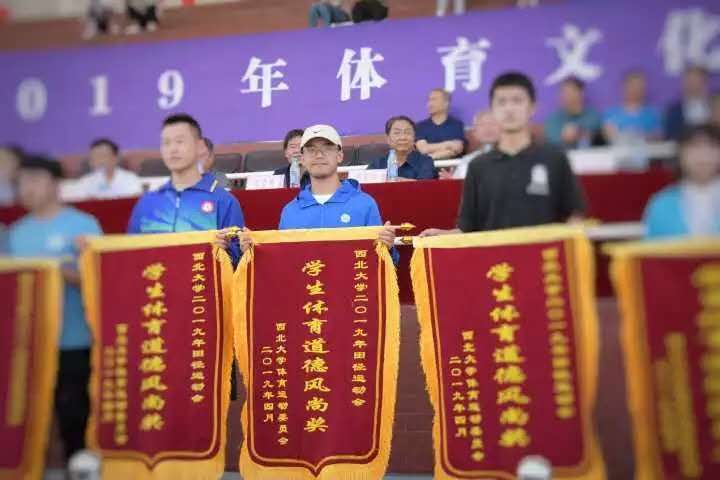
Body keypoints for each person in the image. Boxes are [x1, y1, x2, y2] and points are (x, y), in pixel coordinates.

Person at [8, 155, 103, 465]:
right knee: (27, 415)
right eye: (21, 182)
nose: (27, 188)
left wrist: (64, 273)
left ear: (54, 184)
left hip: (73, 339)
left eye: (34, 180)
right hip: (27, 345)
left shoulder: (83, 225)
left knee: (74, 413)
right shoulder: (16, 233)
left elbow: (102, 279)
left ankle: (80, 467)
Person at [421, 72, 586, 237]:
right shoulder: (478, 166)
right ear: (493, 109)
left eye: (517, 101)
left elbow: (574, 216)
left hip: (545, 253)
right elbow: (468, 229)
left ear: (532, 107)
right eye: (502, 102)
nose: (509, 109)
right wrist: (441, 237)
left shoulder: (554, 159)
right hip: (495, 254)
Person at [229, 124, 396, 256]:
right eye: (311, 150)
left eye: (327, 148)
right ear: (302, 158)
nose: (319, 155)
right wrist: (253, 251)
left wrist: (388, 247)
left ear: (340, 155)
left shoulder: (364, 204)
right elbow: (283, 263)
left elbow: (381, 263)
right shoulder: (290, 211)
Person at [127, 114, 245, 260]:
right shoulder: (147, 203)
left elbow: (238, 262)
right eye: (166, 143)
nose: (172, 149)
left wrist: (223, 251)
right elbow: (130, 257)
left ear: (200, 147)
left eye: (180, 141)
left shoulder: (224, 201)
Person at [643, 125, 720, 238]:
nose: (703, 155)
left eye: (711, 147)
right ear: (680, 155)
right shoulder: (661, 204)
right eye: (695, 147)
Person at [368, 115, 437, 180]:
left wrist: (394, 182)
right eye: (397, 133)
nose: (403, 137)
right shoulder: (378, 164)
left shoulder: (425, 162)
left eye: (407, 132)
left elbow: (424, 185)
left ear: (414, 138)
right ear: (388, 139)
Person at [439, 110, 501, 180]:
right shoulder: (467, 161)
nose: (487, 128)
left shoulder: (509, 158)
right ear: (474, 133)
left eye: (492, 123)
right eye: (482, 125)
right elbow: (462, 183)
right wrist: (453, 181)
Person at [603, 71, 662, 143]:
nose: (635, 90)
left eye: (639, 86)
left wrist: (642, 137)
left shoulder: (653, 114)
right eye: (632, 85)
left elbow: (658, 137)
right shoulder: (610, 113)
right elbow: (607, 137)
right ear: (624, 87)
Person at [544, 77, 602, 149]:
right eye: (563, 92)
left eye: (571, 91)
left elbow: (597, 133)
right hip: (562, 154)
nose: (566, 96)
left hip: (591, 154)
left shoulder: (593, 114)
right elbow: (552, 138)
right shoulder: (554, 118)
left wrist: (578, 131)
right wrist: (564, 137)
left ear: (581, 93)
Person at [75, 138, 143, 200]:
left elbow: (135, 203)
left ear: (116, 158)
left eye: (103, 156)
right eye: (94, 156)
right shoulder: (85, 182)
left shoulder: (130, 179)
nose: (99, 160)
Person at [415, 89, 466, 160]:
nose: (430, 104)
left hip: (450, 165)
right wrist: (448, 144)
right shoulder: (421, 126)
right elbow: (423, 149)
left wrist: (430, 157)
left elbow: (456, 149)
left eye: (434, 99)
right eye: (429, 100)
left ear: (446, 103)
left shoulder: (456, 125)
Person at [664, 66, 712, 140]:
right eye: (689, 80)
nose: (692, 84)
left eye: (696, 80)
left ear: (704, 82)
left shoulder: (714, 106)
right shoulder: (674, 110)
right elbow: (670, 135)